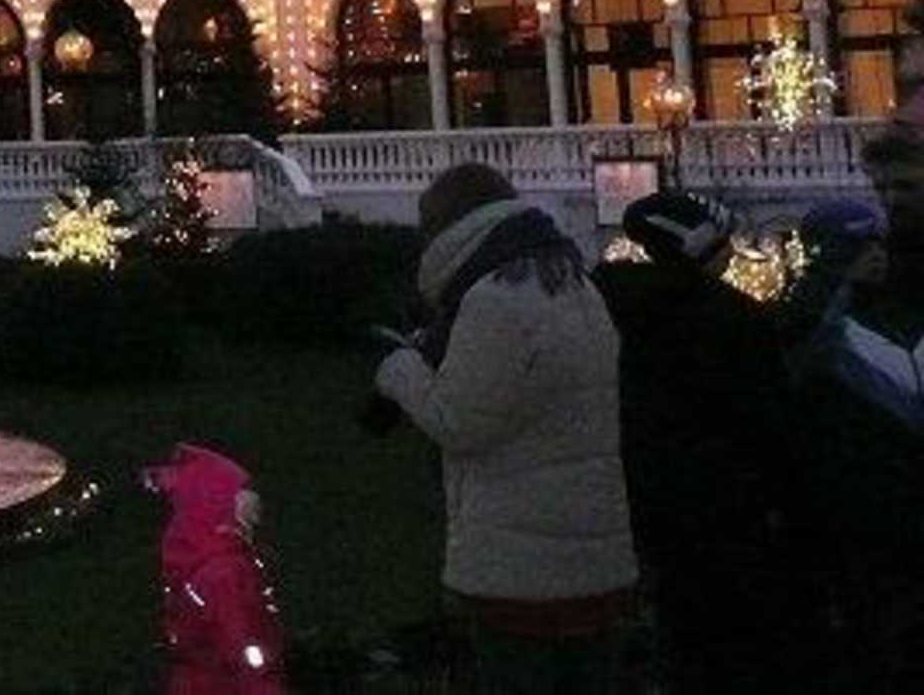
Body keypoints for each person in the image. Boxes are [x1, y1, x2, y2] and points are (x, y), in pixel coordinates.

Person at [372, 162, 635, 693]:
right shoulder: (571, 283)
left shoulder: (495, 298)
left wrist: (398, 368)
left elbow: (460, 421)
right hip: (591, 542)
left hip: (522, 563)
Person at [593, 190, 792, 692]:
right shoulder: (736, 319)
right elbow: (767, 420)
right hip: (726, 500)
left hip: (638, 491)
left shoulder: (608, 307)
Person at [783, 129, 924, 687]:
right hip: (870, 503)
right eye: (883, 188)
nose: (892, 200)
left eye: (904, 187)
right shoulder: (850, 291)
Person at [144, 442, 286, 695]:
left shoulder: (203, 561)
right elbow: (245, 653)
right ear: (218, 501)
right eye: (244, 499)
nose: (256, 511)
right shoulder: (224, 573)